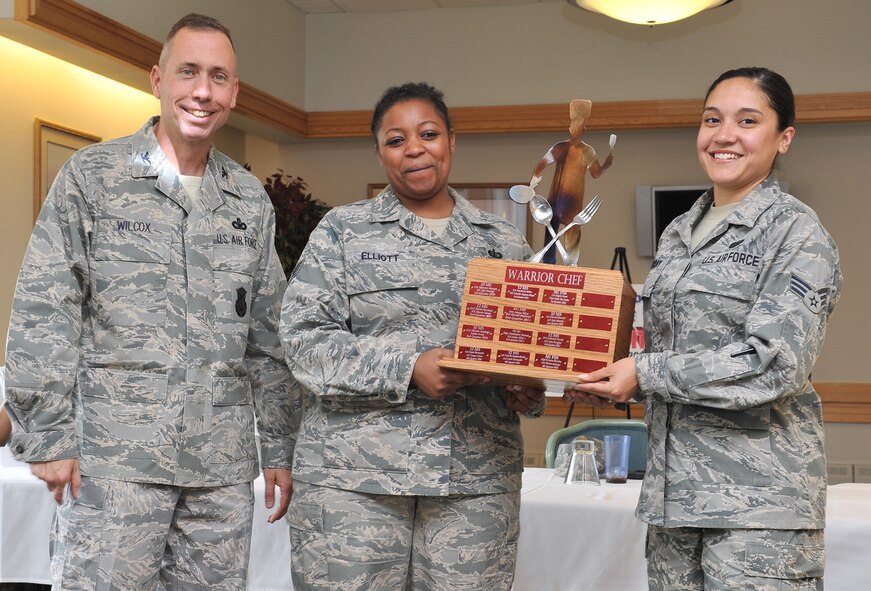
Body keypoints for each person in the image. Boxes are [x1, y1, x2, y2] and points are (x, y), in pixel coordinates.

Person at [4, 13, 300, 590]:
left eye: (218, 77)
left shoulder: (247, 198)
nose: (202, 91)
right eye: (188, 72)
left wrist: (280, 448)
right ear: (157, 79)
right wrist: (47, 435)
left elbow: (269, 340)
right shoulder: (93, 177)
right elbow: (46, 307)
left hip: (218, 474)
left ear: (234, 93)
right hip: (115, 465)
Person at [566, 67, 842, 590]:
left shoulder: (798, 233)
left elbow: (774, 364)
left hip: (757, 507)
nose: (724, 135)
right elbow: (669, 348)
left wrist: (643, 374)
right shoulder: (679, 231)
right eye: (712, 119)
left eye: (748, 120)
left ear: (783, 138)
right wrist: (610, 378)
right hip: (674, 502)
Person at [280, 82, 546, 591]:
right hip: (353, 482)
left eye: (428, 134)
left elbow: (523, 351)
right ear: (380, 153)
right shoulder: (343, 231)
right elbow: (302, 341)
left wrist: (526, 389)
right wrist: (408, 367)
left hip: (475, 483)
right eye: (396, 140)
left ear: (452, 140)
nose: (415, 149)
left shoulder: (503, 242)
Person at [527, 99, 613, 264]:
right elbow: (542, 164)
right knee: (551, 233)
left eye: (579, 126)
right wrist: (533, 184)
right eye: (573, 125)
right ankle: (548, 266)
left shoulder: (589, 151)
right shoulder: (561, 147)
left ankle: (570, 267)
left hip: (574, 203)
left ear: (584, 129)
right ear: (569, 128)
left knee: (572, 234)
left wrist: (606, 165)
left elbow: (596, 173)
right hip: (554, 200)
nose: (575, 129)